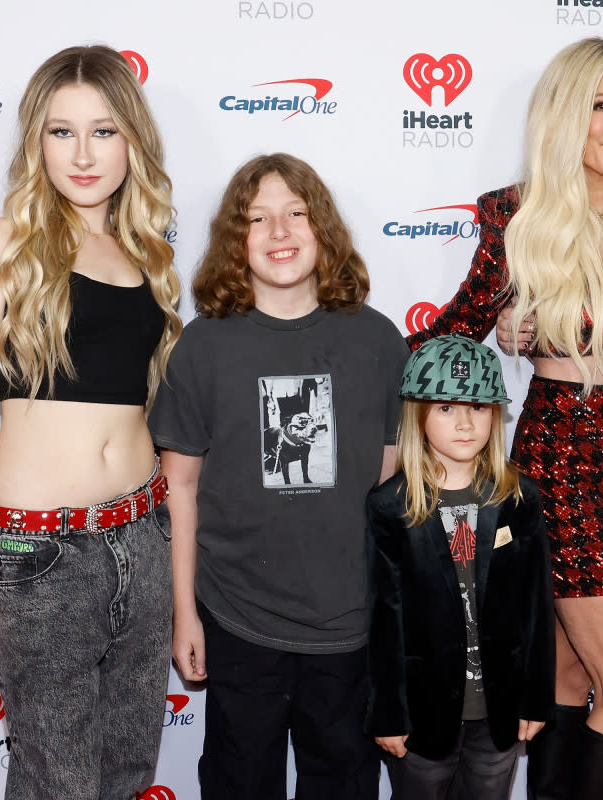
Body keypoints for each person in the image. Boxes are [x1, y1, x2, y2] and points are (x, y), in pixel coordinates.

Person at [409, 38, 603, 798]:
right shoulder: (516, 213)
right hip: (563, 448)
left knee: (568, 669)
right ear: (567, 115)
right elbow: (456, 327)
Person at [0, 45, 181, 800]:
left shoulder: (151, 257)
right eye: (60, 132)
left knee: (128, 773)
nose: (82, 154)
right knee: (59, 783)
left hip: (144, 536)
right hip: (38, 554)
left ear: (132, 141)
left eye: (103, 131)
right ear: (35, 143)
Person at [149, 153, 408, 800]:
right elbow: (179, 488)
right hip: (238, 618)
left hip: (349, 626)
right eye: (257, 218)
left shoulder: (378, 343)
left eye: (297, 213)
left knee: (344, 782)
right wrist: (186, 613)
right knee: (240, 780)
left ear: (324, 229)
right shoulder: (203, 348)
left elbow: (390, 486)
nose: (280, 231)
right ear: (236, 242)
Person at [366, 335, 556, 800]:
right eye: (446, 408)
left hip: (501, 711)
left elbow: (537, 608)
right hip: (422, 717)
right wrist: (389, 713)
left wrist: (534, 699)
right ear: (418, 414)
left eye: (479, 407)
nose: (466, 423)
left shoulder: (519, 498)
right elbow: (383, 619)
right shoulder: (390, 507)